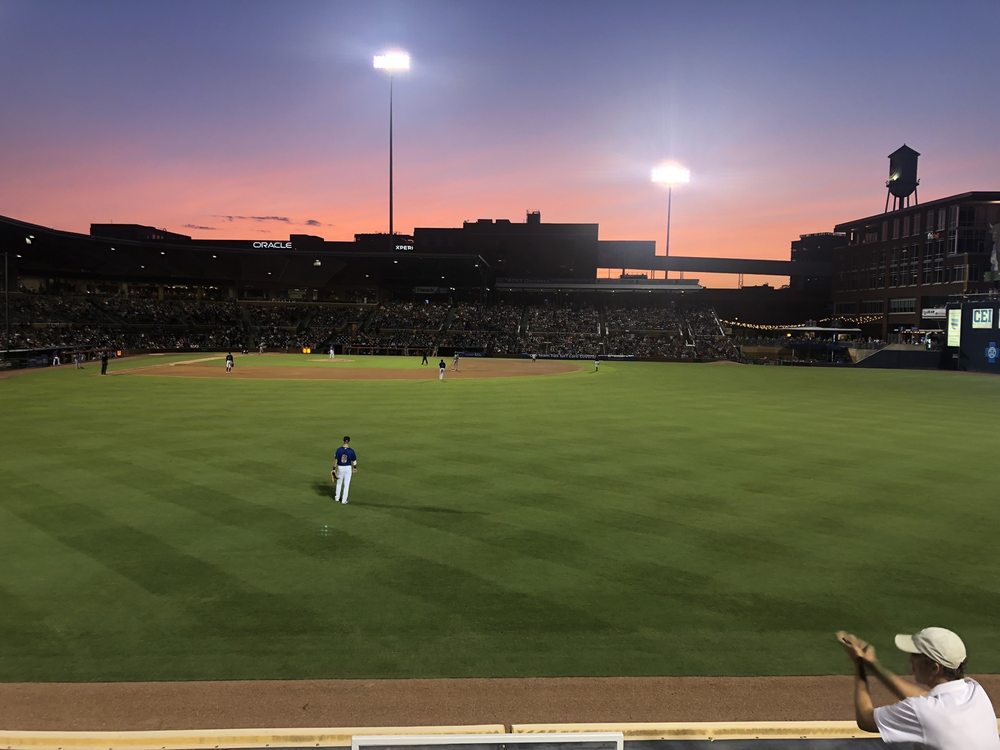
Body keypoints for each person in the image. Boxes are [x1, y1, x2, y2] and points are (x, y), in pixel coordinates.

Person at [838, 628, 1000, 749]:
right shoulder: (974, 690)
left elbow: (865, 719)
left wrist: (859, 664)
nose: (910, 660)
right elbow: (923, 699)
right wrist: (873, 666)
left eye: (916, 655)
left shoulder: (922, 711)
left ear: (935, 668)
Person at [331, 436, 358, 504]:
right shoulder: (351, 451)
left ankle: (337, 498)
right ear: (349, 441)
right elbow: (354, 461)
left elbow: (336, 460)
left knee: (339, 483)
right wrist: (354, 468)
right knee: (346, 484)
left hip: (340, 467)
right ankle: (344, 500)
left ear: (343, 441)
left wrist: (334, 469)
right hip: (348, 468)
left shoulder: (339, 450)